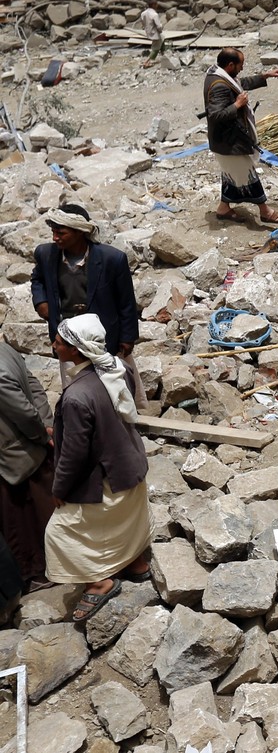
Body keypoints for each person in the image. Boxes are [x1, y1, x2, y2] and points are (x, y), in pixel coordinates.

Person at [43, 314, 151, 623]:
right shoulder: (117, 368)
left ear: (76, 350)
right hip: (131, 467)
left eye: (60, 342)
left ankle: (100, 581)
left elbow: (75, 454)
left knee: (59, 532)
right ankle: (135, 562)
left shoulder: (76, 396)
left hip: (110, 479)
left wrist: (59, 489)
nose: (54, 345)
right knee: (125, 520)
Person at [32, 205, 139, 358]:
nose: (55, 238)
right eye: (53, 232)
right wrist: (40, 302)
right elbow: (37, 279)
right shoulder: (46, 254)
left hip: (102, 337)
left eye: (61, 233)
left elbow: (126, 301)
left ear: (80, 232)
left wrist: (128, 337)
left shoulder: (112, 259)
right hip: (66, 338)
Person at [205, 48, 278, 224]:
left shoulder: (219, 75)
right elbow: (215, 115)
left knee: (231, 175)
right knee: (248, 175)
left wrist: (264, 76)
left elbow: (239, 83)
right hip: (229, 142)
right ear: (230, 65)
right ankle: (265, 211)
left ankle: (223, 208)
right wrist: (237, 104)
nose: (242, 68)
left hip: (226, 141)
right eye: (240, 65)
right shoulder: (219, 85)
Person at [0, 338, 53, 592]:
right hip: (29, 448)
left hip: (14, 454)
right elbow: (34, 386)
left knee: (19, 522)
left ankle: (36, 574)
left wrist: (41, 432)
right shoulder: (5, 348)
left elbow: (22, 411)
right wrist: (45, 423)